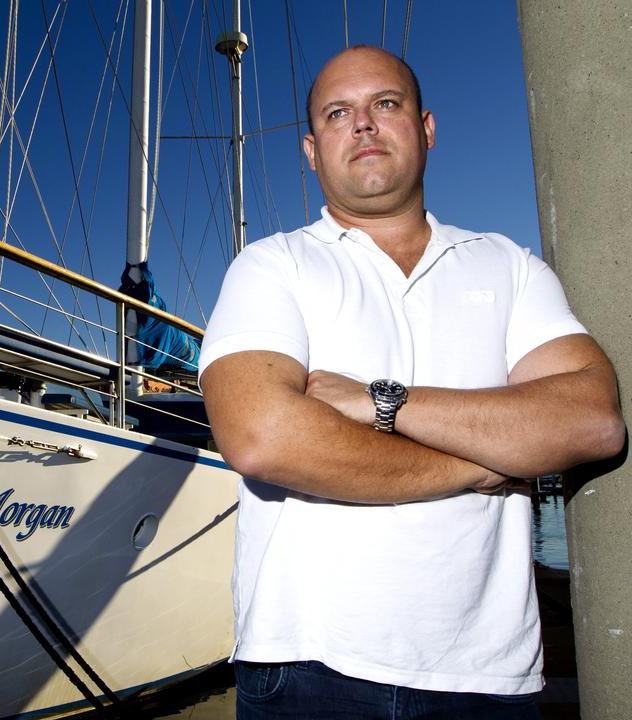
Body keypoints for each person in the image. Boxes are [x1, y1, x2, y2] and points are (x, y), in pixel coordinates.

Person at [198, 45, 624, 719]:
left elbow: (591, 421)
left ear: (425, 129)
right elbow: (263, 438)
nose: (363, 125)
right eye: (339, 113)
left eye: (384, 104)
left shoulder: (509, 267)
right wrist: (482, 463)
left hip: (488, 676)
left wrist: (377, 402)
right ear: (312, 151)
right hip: (312, 665)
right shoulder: (273, 266)